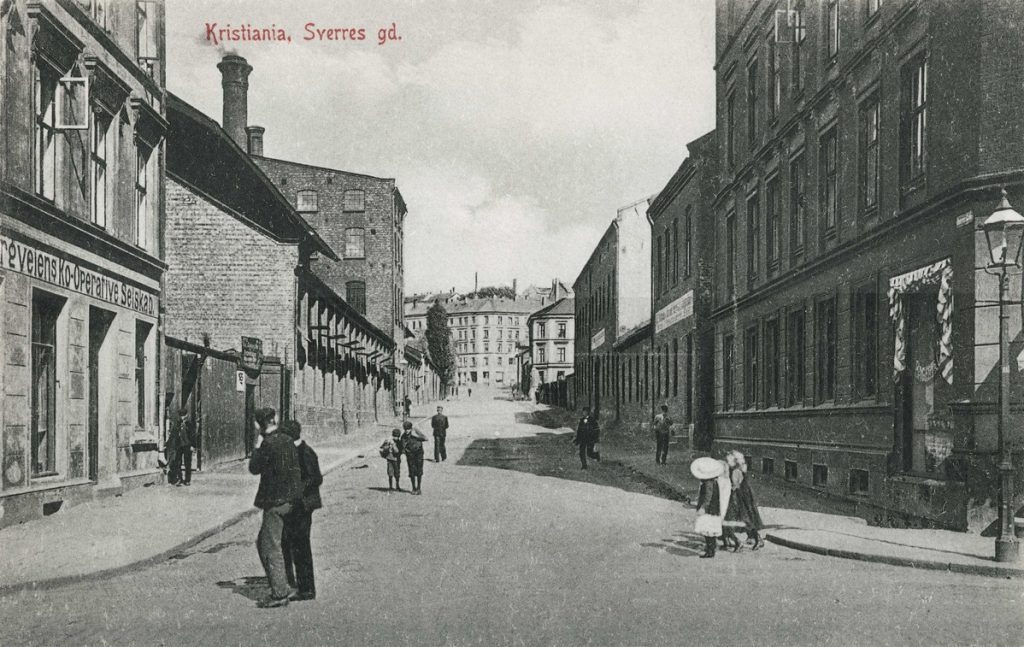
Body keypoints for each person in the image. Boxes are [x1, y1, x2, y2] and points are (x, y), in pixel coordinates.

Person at [248, 407, 303, 608]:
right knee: (272, 542)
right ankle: (287, 582)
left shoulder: (267, 444)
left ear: (259, 424)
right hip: (292, 500)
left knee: (269, 545)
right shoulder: (287, 440)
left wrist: (257, 445)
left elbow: (254, 469)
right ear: (274, 420)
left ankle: (280, 592)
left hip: (275, 502)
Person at [281, 420, 322, 601]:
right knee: (288, 543)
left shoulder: (305, 452)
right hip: (293, 506)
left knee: (301, 546)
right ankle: (291, 583)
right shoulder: (291, 451)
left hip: (303, 506)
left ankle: (306, 589)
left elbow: (316, 478)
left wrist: (296, 490)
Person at [691, 457, 731, 559]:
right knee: (710, 530)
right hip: (713, 509)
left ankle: (710, 550)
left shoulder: (708, 483)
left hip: (709, 510)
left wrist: (703, 507)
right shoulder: (713, 481)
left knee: (708, 530)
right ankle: (710, 549)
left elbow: (708, 497)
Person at [729, 451, 765, 550]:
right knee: (746, 518)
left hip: (741, 496)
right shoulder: (741, 469)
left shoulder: (736, 471)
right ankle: (753, 538)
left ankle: (757, 539)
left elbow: (735, 485)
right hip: (745, 496)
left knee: (745, 518)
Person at [167, 408, 195, 486]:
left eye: (183, 415)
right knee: (178, 463)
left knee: (187, 463)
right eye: (181, 415)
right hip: (179, 446)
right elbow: (174, 434)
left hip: (187, 445)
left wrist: (193, 445)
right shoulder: (178, 424)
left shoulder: (189, 424)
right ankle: (179, 479)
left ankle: (187, 480)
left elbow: (193, 435)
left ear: (186, 415)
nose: (182, 417)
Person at [401, 421, 428, 494]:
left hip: (419, 454)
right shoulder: (403, 436)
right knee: (412, 471)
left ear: (411, 429)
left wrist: (416, 435)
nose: (407, 431)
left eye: (408, 429)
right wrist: (404, 451)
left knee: (419, 470)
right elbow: (402, 446)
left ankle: (419, 488)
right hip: (410, 455)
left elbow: (426, 438)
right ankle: (413, 488)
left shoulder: (416, 433)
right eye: (405, 429)